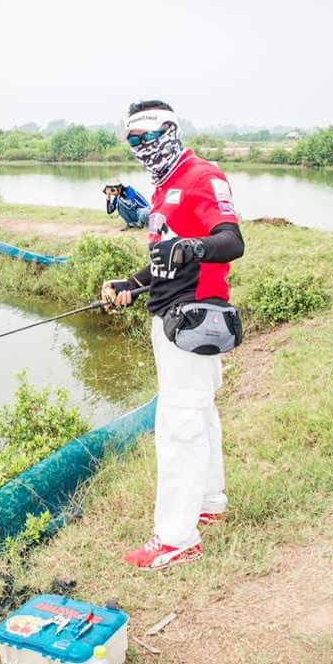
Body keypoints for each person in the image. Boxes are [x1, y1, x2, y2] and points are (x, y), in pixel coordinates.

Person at [101, 100, 244, 571]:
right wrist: (131, 284)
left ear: (170, 131)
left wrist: (194, 246)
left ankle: (176, 538)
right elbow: (165, 259)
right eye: (133, 141)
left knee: (178, 425)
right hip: (167, 314)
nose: (141, 148)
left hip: (195, 318)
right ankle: (209, 501)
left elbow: (231, 240)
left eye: (147, 137)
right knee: (197, 412)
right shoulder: (161, 188)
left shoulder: (202, 176)